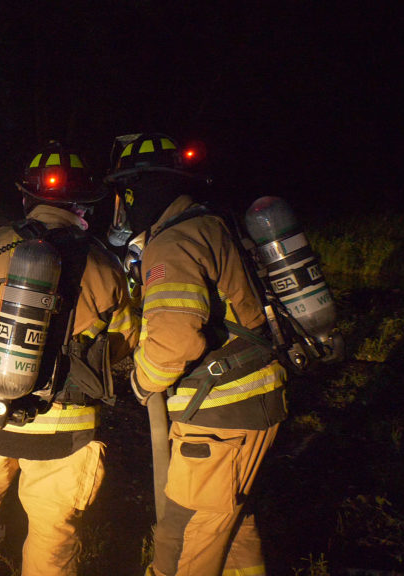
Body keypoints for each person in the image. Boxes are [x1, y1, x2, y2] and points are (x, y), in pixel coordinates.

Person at [0, 141, 139, 576]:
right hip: (61, 434)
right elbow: (123, 342)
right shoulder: (105, 264)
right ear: (86, 204)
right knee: (52, 532)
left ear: (28, 197)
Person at [106, 133, 287, 576]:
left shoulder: (171, 244)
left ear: (139, 189)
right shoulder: (213, 224)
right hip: (254, 403)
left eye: (125, 195)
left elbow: (175, 341)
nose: (123, 207)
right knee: (229, 525)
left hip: (219, 419)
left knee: (181, 538)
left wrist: (141, 380)